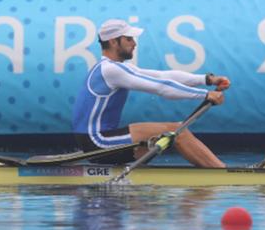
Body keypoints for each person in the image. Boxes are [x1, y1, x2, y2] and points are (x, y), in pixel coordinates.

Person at [71, 19, 230, 168]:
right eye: (129, 39)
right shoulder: (110, 69)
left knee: (155, 143)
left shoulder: (116, 67)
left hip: (95, 141)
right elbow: (161, 87)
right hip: (98, 141)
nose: (134, 44)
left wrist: (207, 79)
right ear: (113, 41)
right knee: (176, 131)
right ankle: (224, 173)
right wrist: (205, 95)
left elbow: (163, 76)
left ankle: (209, 175)